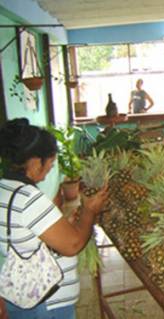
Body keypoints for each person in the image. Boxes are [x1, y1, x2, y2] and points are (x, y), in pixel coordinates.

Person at [0, 118, 108, 319]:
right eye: (50, 161)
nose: (51, 167)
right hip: (45, 304)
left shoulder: (5, 189)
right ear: (34, 161)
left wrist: (64, 225)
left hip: (20, 298)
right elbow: (73, 244)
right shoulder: (28, 199)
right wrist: (89, 212)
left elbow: (22, 237)